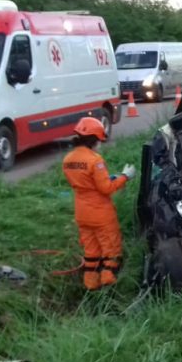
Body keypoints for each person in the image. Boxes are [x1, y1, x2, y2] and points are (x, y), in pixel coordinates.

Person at [62, 117, 136, 291]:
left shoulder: (68, 159)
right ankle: (109, 283)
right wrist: (125, 177)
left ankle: (90, 285)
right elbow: (106, 188)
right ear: (94, 139)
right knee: (111, 248)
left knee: (91, 250)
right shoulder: (95, 160)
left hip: (82, 212)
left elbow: (84, 183)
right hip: (101, 213)